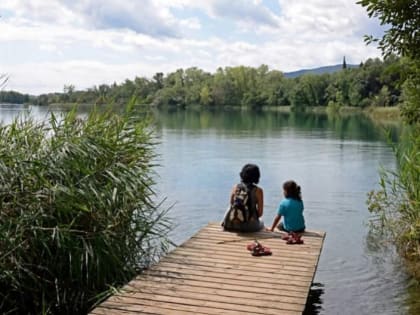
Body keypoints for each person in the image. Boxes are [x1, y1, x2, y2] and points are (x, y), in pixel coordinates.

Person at [222, 163, 264, 232]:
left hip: (232, 225)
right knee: (262, 222)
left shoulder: (235, 187)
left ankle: (224, 222)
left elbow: (231, 205)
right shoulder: (258, 191)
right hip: (250, 227)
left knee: (230, 206)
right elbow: (260, 213)